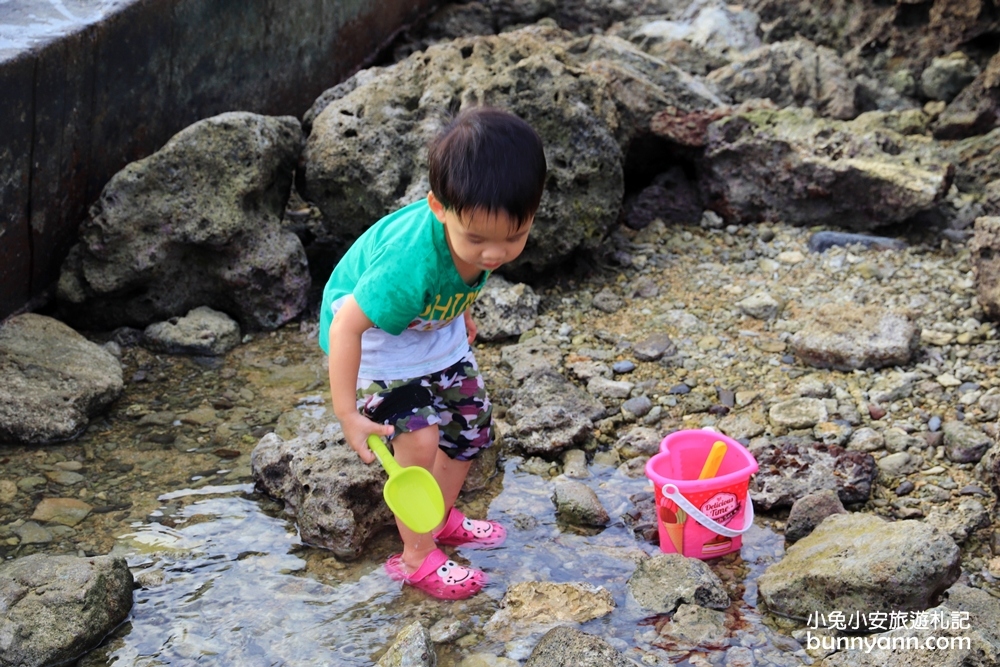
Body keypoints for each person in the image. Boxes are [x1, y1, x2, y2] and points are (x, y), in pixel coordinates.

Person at [319, 106, 547, 599]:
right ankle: (415, 556)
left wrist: (458, 311)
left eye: (515, 237)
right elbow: (344, 327)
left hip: (431, 328)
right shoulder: (407, 264)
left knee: (472, 425)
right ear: (440, 208)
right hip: (375, 340)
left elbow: (465, 271)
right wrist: (346, 413)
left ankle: (436, 519)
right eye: (478, 239)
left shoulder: (483, 235)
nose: (494, 254)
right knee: (418, 440)